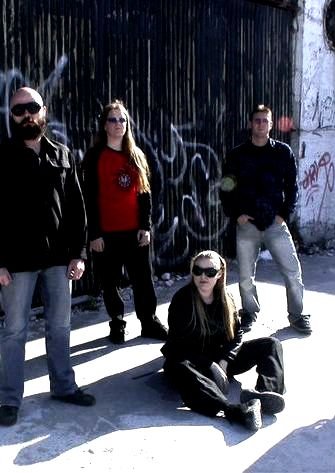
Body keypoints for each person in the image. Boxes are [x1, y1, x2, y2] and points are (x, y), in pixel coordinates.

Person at [0, 87, 96, 427]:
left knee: (60, 326)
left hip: (58, 259)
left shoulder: (61, 154)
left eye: (32, 107)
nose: (26, 114)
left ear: (44, 110)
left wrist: (79, 254)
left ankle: (64, 387)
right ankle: (8, 399)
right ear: (12, 116)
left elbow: (77, 209)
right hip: (17, 262)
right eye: (19, 110)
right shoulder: (2, 157)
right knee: (14, 331)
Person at [161, 250, 285, 431]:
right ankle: (235, 411)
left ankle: (266, 394)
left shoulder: (227, 298)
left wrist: (225, 361)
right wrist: (210, 365)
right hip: (192, 362)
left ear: (219, 274)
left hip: (220, 359)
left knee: (271, 344)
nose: (203, 276)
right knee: (180, 367)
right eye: (198, 270)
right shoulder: (182, 300)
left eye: (210, 272)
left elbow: (237, 335)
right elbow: (177, 346)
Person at [220, 104, 311, 334]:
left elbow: (292, 187)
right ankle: (249, 312)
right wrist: (236, 215)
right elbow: (226, 186)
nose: (261, 124)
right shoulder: (237, 155)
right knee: (245, 276)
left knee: (292, 271)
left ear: (271, 125)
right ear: (250, 124)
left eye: (265, 121)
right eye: (257, 120)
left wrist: (283, 215)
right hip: (247, 224)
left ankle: (297, 315)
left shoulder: (282, 152)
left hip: (275, 223)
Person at [82, 100, 167, 344]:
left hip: (134, 232)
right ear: (104, 125)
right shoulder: (94, 156)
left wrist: (145, 227)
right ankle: (117, 323)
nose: (118, 124)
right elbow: (88, 198)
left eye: (123, 120)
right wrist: (94, 234)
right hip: (106, 234)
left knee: (143, 280)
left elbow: (145, 194)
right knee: (109, 282)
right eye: (113, 119)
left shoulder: (136, 155)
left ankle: (149, 322)